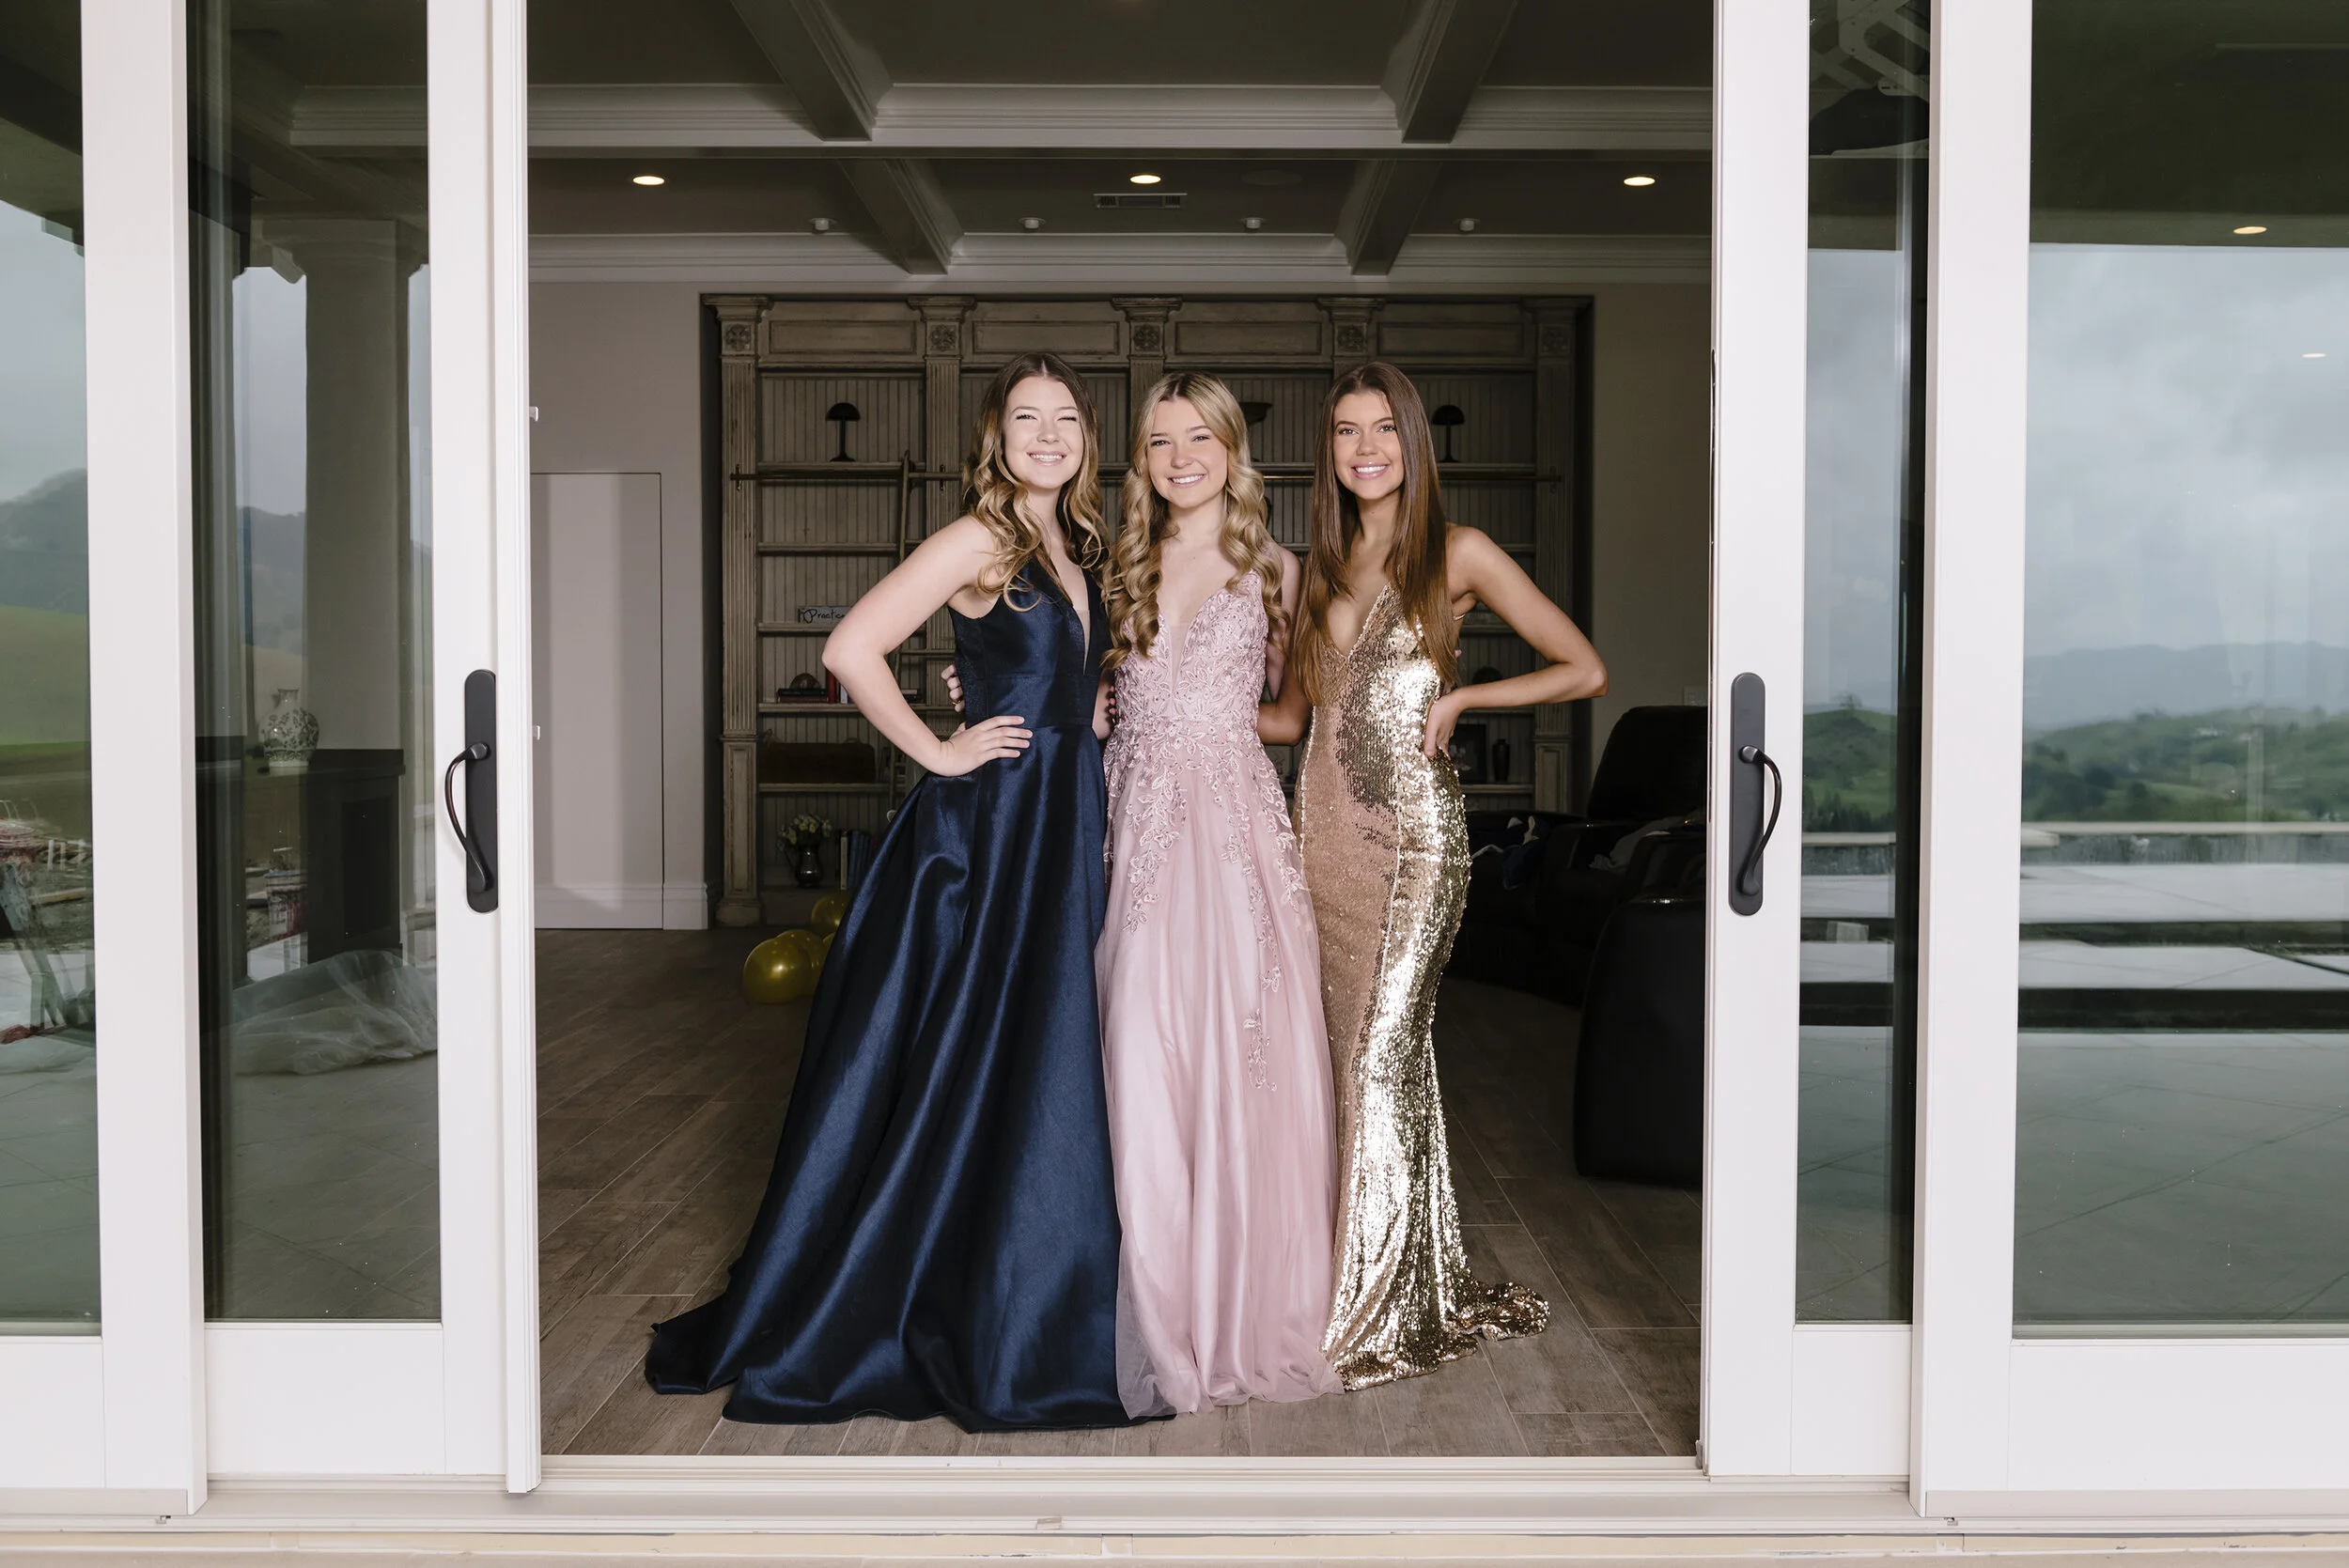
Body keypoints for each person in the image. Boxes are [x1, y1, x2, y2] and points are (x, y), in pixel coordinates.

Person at [645, 351, 1131, 1431]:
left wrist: (1083, 712)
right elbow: (850, 646)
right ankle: (941, 1280)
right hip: (997, 826)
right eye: (1025, 417)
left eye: (1064, 418)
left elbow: (1059, 675)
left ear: (1086, 438)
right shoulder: (980, 536)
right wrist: (941, 753)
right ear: (995, 436)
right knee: (969, 1044)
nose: (1046, 433)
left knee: (1031, 1042)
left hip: (1063, 817)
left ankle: (1022, 1267)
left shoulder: (1078, 541)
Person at [1259, 361, 1608, 1390]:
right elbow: (1286, 718)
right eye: (1345, 431)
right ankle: (1397, 1275)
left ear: (1414, 443)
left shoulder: (1457, 553)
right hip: (1315, 831)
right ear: (1326, 450)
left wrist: (1464, 705)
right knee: (1347, 1063)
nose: (1365, 448)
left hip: (1414, 841)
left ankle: (1362, 1318)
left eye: (1385, 430)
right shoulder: (1313, 565)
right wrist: (1150, 702)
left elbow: (1583, 667)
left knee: (1378, 1054)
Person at [1094, 372, 1340, 1416]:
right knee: (1142, 1054)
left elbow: (1289, 716)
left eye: (1202, 438)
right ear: (1140, 459)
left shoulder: (1278, 572)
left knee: (1246, 1064)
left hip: (1237, 839)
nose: (1182, 456)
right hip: (1138, 834)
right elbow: (1076, 687)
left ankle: (1246, 1308)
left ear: (1235, 452)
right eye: (1160, 441)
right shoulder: (1114, 565)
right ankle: (1161, 1309)